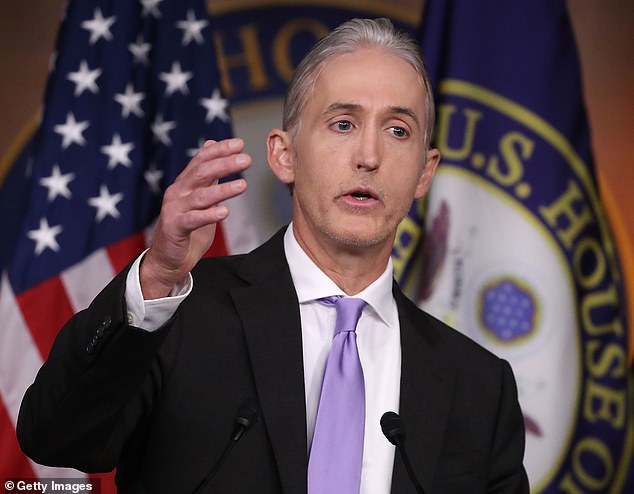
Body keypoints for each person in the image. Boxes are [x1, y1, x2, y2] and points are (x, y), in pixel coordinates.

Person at [18, 18, 529, 493]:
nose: (369, 157)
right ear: (284, 154)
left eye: (398, 130)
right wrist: (155, 276)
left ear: (424, 172)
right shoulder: (179, 316)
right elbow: (55, 439)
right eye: (343, 124)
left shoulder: (479, 388)